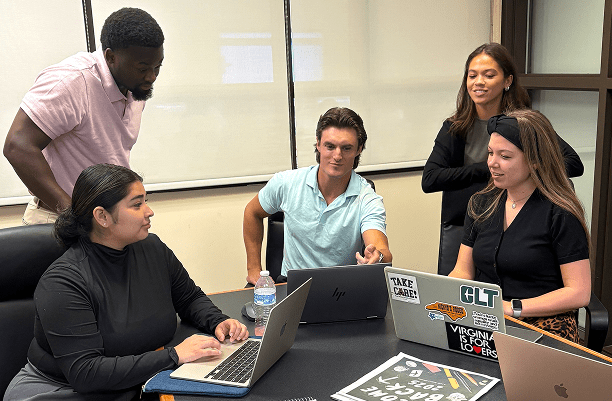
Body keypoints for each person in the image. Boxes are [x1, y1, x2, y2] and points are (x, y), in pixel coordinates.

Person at [3, 164, 249, 400]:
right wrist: (174, 356)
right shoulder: (63, 283)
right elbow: (86, 373)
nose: (149, 211)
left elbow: (189, 298)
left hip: (138, 380)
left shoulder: (153, 248)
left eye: (146, 201)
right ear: (102, 216)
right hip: (63, 391)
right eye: (137, 204)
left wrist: (218, 321)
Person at [421, 43, 583, 275]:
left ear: (507, 80)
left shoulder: (523, 125)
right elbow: (430, 179)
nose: (478, 82)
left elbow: (572, 163)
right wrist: (489, 169)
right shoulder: (454, 127)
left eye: (489, 75)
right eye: (472, 76)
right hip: (468, 222)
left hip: (517, 218)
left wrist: (522, 174)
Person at [3, 7, 165, 225]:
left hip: (103, 222)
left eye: (157, 67)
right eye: (143, 68)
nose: (152, 77)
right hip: (59, 220)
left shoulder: (135, 86)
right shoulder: (71, 81)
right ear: (111, 57)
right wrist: (74, 217)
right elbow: (17, 146)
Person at [449, 110, 591, 342]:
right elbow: (463, 271)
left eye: (505, 156)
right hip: (488, 320)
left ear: (535, 160)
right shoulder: (481, 203)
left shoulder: (560, 213)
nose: (492, 163)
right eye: (490, 153)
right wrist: (443, 297)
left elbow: (579, 293)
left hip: (543, 323)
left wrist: (513, 308)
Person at [243, 107, 392, 286]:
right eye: (330, 146)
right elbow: (252, 212)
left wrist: (377, 256)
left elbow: (381, 248)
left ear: (359, 149)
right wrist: (253, 268)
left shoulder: (367, 198)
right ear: (318, 144)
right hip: (293, 285)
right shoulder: (287, 183)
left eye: (346, 148)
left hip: (342, 288)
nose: (337, 156)